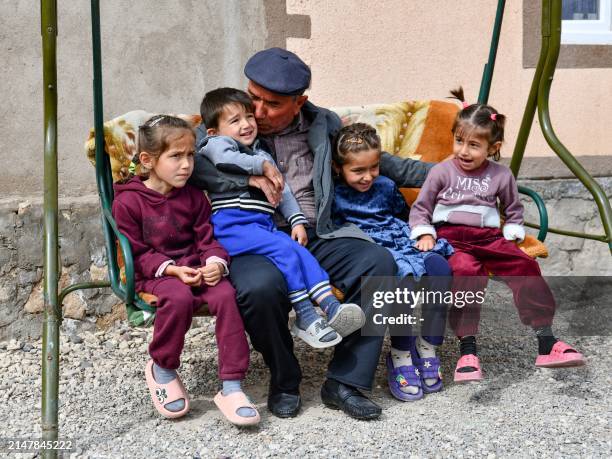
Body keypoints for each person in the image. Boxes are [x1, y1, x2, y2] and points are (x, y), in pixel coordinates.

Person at [190, 48, 434, 420]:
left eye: (271, 104)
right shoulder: (228, 117)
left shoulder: (323, 123)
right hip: (253, 234)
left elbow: (377, 161)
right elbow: (191, 166)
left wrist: (454, 176)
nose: (257, 111)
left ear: (299, 102)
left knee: (379, 264)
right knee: (259, 288)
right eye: (253, 96)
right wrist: (249, 176)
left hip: (316, 232)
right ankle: (285, 378)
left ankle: (345, 381)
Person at [409, 88, 586, 383]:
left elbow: (514, 209)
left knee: (525, 266)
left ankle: (546, 341)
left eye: (474, 145)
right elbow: (421, 209)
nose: (464, 151)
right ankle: (468, 350)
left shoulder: (501, 175)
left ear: (493, 147)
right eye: (459, 141)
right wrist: (425, 233)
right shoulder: (441, 172)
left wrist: (514, 228)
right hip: (452, 238)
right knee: (466, 271)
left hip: (489, 238)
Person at [112, 115, 260, 426]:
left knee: (226, 296)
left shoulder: (194, 197)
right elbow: (135, 253)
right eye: (176, 156)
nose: (186, 165)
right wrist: (171, 270)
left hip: (194, 267)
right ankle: (163, 367)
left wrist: (214, 264)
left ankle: (232, 385)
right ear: (148, 160)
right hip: (154, 274)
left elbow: (209, 239)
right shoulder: (127, 202)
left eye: (191, 155)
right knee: (177, 297)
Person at [198, 87, 364, 348]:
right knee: (285, 250)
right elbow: (224, 158)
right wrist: (260, 168)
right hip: (232, 226)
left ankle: (330, 306)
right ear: (214, 131)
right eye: (235, 120)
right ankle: (305, 315)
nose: (246, 124)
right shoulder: (216, 144)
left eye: (249, 117)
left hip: (261, 226)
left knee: (299, 251)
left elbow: (282, 190)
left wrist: (296, 219)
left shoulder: (261, 153)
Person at [331, 123, 453, 401]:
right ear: (339, 168)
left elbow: (406, 215)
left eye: (373, 167)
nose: (367, 177)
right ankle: (400, 353)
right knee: (404, 279)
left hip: (399, 237)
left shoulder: (385, 185)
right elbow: (337, 231)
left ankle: (428, 346)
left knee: (440, 269)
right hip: (368, 245)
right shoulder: (335, 195)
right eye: (358, 171)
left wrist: (421, 235)